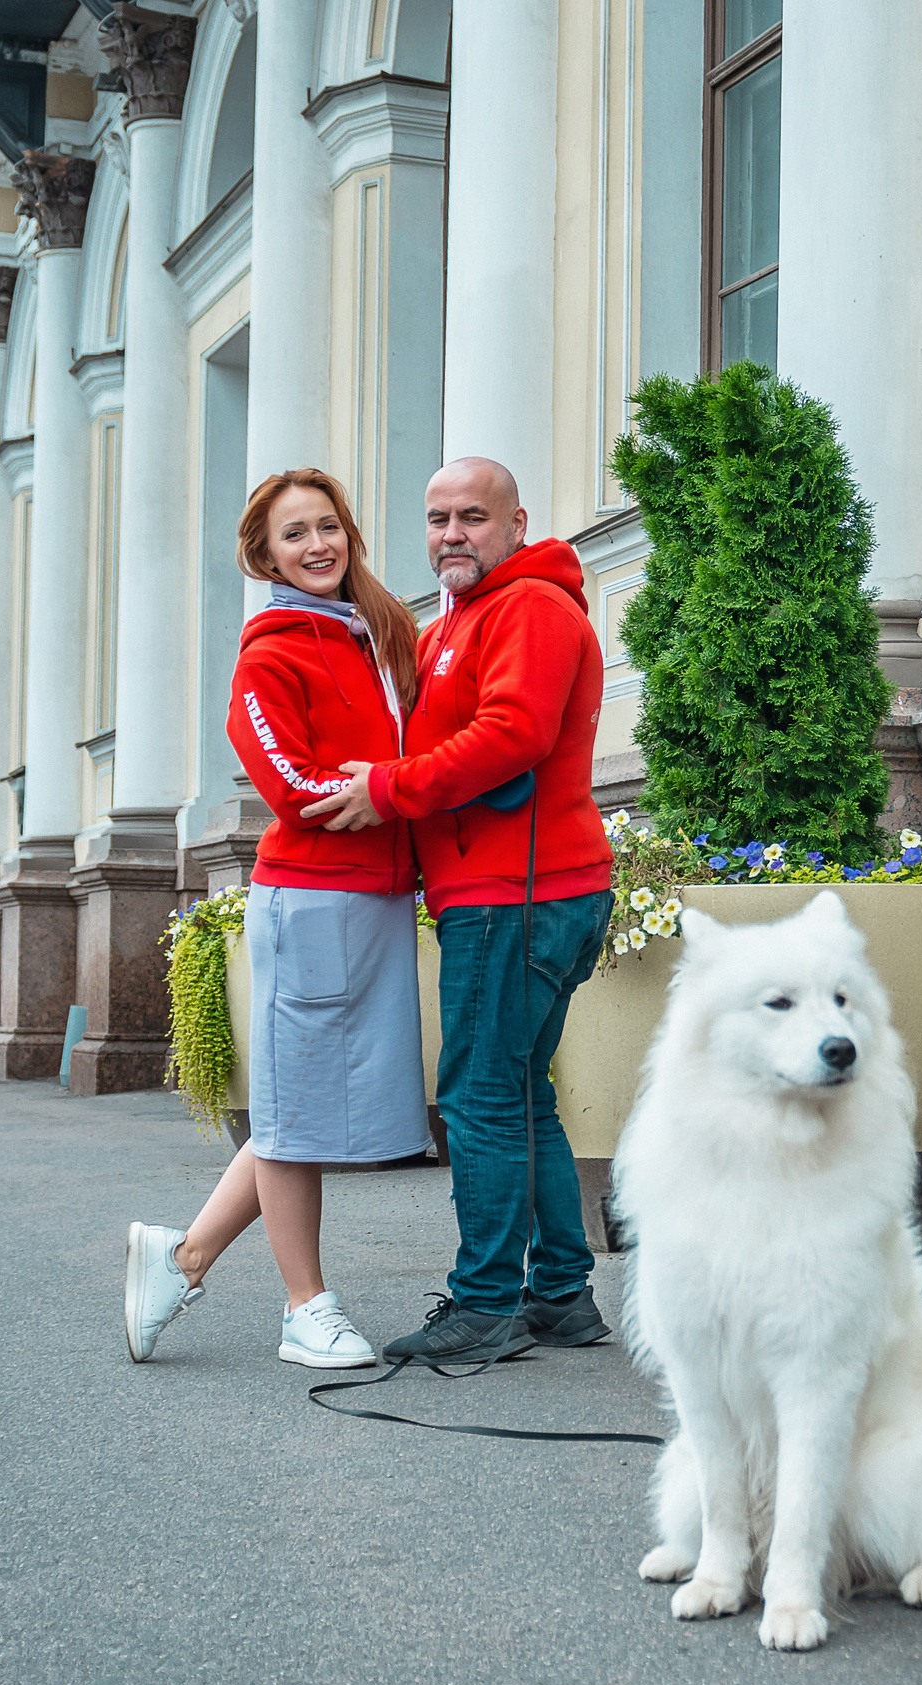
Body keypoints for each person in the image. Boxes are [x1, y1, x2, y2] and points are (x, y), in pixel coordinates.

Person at [301, 457, 616, 1365]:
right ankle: (559, 1293)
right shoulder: (466, 616)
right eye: (437, 517)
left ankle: (486, 1304)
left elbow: (514, 734)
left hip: (515, 894)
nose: (451, 534)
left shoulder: (528, 607)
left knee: (479, 1097)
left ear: (517, 523)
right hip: (520, 888)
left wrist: (391, 789)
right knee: (521, 1093)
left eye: (472, 516)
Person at [123, 470, 428, 1369]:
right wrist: (383, 792)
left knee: (306, 1111)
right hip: (312, 900)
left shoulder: (377, 635)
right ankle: (305, 1307)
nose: (318, 545)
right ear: (265, 555)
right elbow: (289, 787)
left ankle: (181, 1260)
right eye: (295, 535)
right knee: (297, 1115)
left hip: (375, 898)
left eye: (328, 526)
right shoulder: (271, 651)